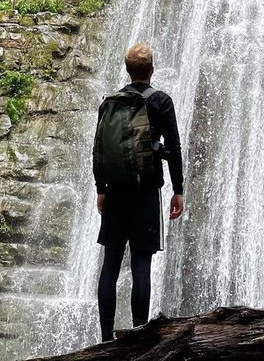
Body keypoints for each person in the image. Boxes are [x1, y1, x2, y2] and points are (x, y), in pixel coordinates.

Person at [95, 43, 184, 341]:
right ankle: (137, 337)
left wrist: (101, 190)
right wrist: (178, 190)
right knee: (141, 266)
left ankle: (106, 339)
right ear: (152, 69)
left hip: (115, 192)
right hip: (145, 192)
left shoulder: (109, 103)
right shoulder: (160, 101)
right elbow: (173, 149)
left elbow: (98, 151)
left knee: (110, 264)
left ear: (127, 69)